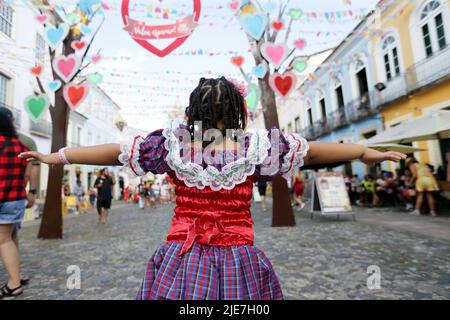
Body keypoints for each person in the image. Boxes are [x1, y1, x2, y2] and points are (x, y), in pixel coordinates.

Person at [19, 77, 406, 300]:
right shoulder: (257, 147)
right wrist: (366, 151)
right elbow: (316, 150)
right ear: (238, 112)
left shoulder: (173, 146)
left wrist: (60, 156)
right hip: (239, 257)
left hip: (180, 258)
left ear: (192, 113)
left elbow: (115, 153)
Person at [0, 109, 36, 299]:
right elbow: (29, 174)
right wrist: (32, 192)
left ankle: (14, 284)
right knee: (11, 236)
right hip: (15, 199)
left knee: (3, 240)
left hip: (2, 197)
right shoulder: (21, 145)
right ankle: (17, 275)